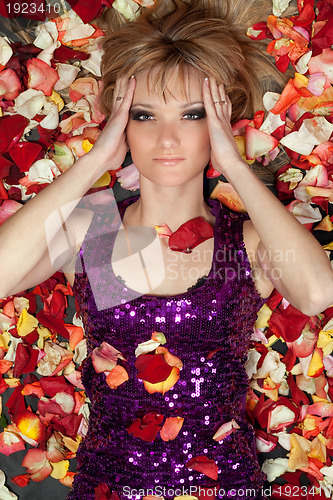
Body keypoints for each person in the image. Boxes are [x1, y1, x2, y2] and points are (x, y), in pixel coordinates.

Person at [0, 0, 332, 499]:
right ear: (122, 122)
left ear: (220, 124)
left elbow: (317, 292)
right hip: (106, 488)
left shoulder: (242, 242)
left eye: (193, 114)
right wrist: (95, 162)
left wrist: (236, 165)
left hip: (223, 489)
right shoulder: (95, 231)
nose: (169, 137)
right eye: (145, 115)